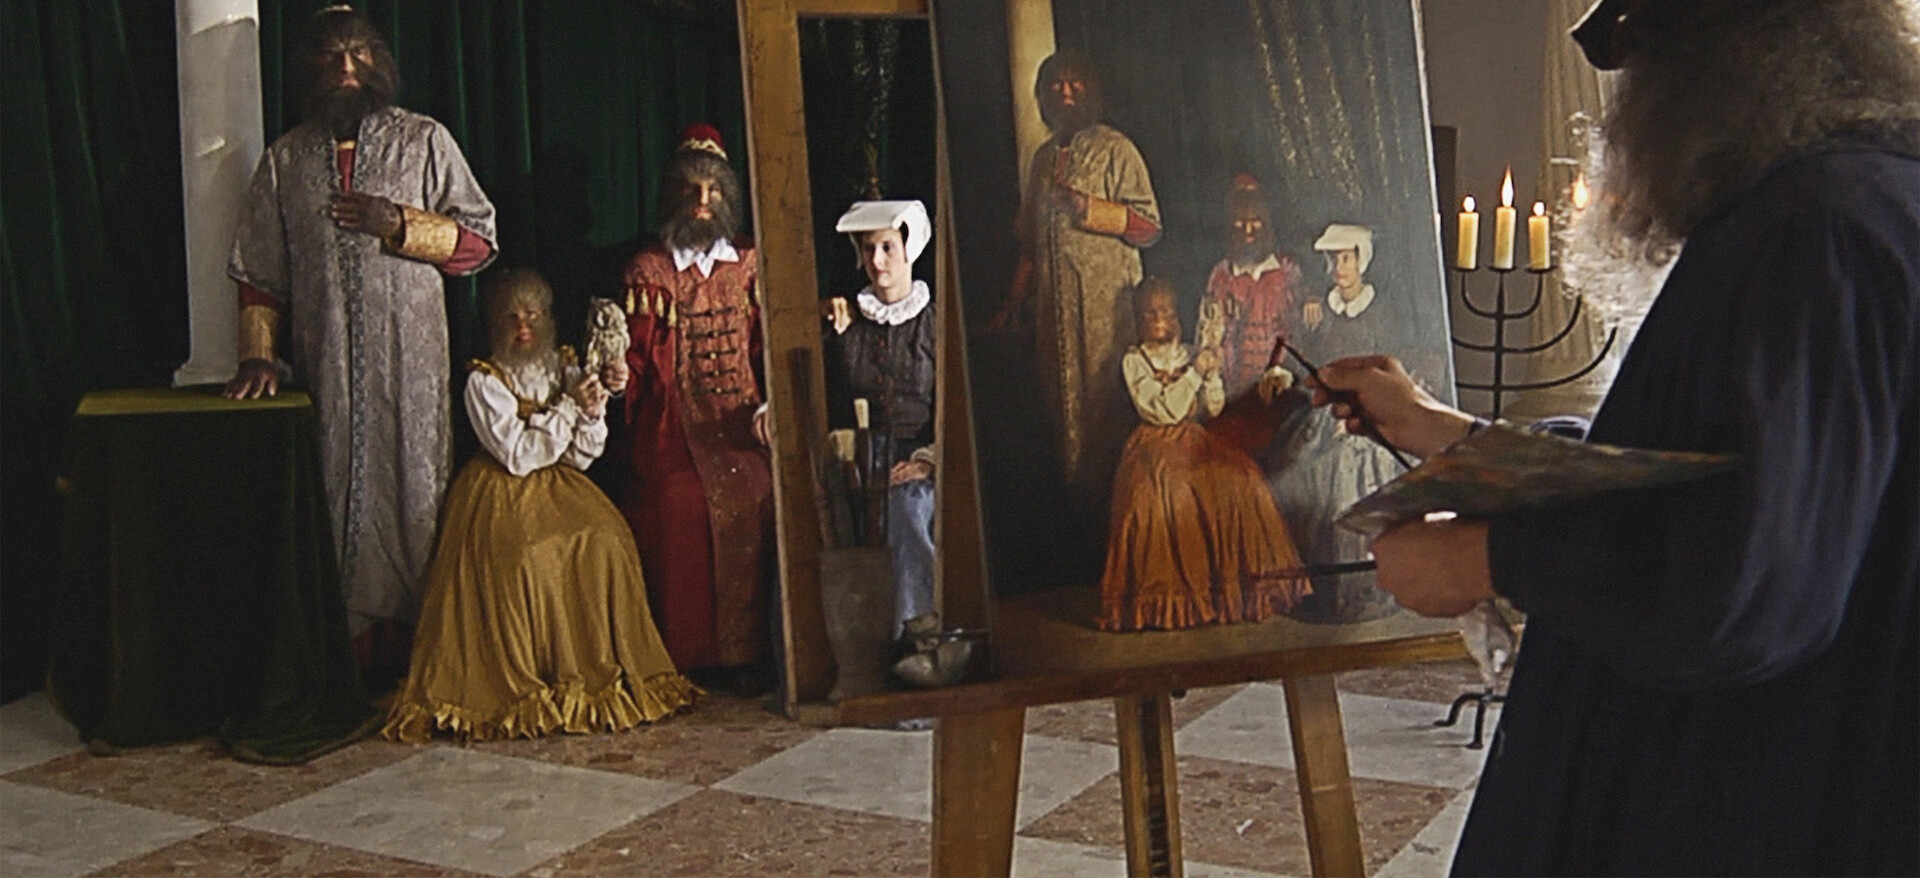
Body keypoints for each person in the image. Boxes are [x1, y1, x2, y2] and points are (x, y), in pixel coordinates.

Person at [1311, 0, 1919, 872]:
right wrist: (1453, 436)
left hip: (1750, 797)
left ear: (1714, 61)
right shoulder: (1863, 201)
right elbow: (1701, 471)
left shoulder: (1815, 229)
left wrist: (1489, 558)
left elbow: (1748, 578)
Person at [222, 6, 497, 674]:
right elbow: (260, 275)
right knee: (336, 495)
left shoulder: (425, 141)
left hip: (413, 369)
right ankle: (346, 664)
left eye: (360, 53)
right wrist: (258, 354)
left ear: (380, 62)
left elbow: (478, 243)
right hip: (329, 375)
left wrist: (398, 223)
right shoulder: (285, 161)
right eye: (331, 56)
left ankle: (426, 662)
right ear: (309, 69)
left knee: (418, 502)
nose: (347, 69)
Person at [383, 269, 697, 742]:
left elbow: (581, 456)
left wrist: (594, 404)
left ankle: (592, 665)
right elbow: (517, 455)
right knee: (527, 555)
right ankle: (535, 673)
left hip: (558, 481)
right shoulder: (484, 381)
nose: (523, 327)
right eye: (512, 317)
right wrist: (568, 407)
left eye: (532, 315)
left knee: (606, 538)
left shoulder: (562, 366)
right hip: (501, 486)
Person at [613, 124, 775, 693]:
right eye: (691, 190)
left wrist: (772, 405)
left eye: (714, 190)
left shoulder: (751, 265)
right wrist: (613, 380)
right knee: (679, 500)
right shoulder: (650, 271)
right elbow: (634, 361)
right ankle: (690, 656)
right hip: (674, 425)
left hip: (744, 419)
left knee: (761, 490)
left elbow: (770, 350)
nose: (702, 203)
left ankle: (754, 652)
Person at [987, 51, 1162, 529]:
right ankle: (1077, 522)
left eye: (1074, 84)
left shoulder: (1117, 150)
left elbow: (1149, 227)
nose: (1065, 93)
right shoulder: (1043, 161)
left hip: (1109, 312)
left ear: (1091, 90)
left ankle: (1122, 522)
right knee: (1061, 418)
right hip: (1054, 316)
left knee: (1108, 414)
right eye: (1055, 85)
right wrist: (1013, 303)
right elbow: (1029, 245)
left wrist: (1088, 208)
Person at [1098, 278, 1309, 632]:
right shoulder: (1134, 360)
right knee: (1160, 494)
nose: (1160, 320)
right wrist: (1196, 372)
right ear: (1138, 318)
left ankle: (1236, 594)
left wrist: (1211, 374)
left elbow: (1213, 409)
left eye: (1166, 312)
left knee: (1243, 478)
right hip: (1153, 444)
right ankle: (1175, 603)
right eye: (1151, 314)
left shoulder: (1190, 352)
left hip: (1193, 438)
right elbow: (1164, 412)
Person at [1265, 223, 1403, 623]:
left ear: (1361, 261)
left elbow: (1386, 370)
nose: (1339, 267)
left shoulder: (1379, 314)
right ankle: (1318, 586)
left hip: (1367, 414)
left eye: (1346, 258)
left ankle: (1360, 589)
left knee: (1346, 473)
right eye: (1333, 259)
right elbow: (1304, 358)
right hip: (1325, 413)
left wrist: (1357, 412)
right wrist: (1283, 373)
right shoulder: (1319, 310)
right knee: (1295, 464)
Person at [823, 200, 939, 637]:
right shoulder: (846, 323)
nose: (877, 260)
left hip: (920, 454)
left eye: (888, 247)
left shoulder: (933, 324)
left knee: (908, 506)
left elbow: (956, 407)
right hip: (860, 456)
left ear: (911, 248)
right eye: (868, 248)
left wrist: (929, 461)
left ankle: (915, 635)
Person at [1196, 173, 1304, 399]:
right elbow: (1210, 334)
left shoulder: (1287, 272)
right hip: (1234, 390)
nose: (1248, 232)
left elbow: (1296, 328)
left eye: (1255, 221)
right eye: (1239, 223)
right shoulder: (1221, 276)